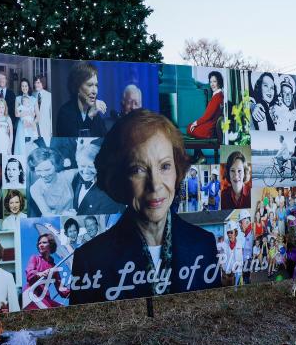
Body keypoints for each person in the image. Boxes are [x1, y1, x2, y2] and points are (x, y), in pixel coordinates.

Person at [69, 109, 219, 305]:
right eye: (138, 169)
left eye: (165, 166)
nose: (155, 185)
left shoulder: (204, 245)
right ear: (119, 179)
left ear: (177, 171)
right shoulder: (90, 261)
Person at [55, 61, 108, 137]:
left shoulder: (96, 115)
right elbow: (76, 145)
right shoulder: (65, 113)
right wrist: (89, 116)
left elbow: (105, 143)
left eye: (96, 85)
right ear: (77, 87)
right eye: (90, 85)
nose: (95, 91)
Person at [71, 138, 122, 215]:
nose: (85, 171)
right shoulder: (76, 178)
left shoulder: (109, 193)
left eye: (91, 166)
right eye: (82, 166)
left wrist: (75, 216)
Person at [23, 232, 71, 309]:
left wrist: (75, 291)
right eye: (39, 243)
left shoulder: (54, 266)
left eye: (44, 242)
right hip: (31, 294)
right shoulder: (35, 258)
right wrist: (41, 273)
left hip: (44, 297)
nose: (40, 245)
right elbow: (29, 274)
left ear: (51, 245)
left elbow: (60, 288)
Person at [27, 147, 77, 217]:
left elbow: (85, 170)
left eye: (47, 170)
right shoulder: (35, 188)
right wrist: (65, 215)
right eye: (38, 171)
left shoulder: (67, 175)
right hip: (50, 223)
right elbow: (47, 214)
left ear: (56, 166)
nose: (43, 175)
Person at [187, 70, 225, 139]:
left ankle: (198, 149)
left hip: (209, 130)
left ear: (219, 82)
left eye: (214, 81)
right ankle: (198, 150)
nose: (212, 84)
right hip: (211, 127)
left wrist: (195, 123)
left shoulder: (217, 97)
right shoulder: (220, 95)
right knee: (191, 127)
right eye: (211, 82)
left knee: (190, 128)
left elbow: (207, 116)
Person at [14, 78, 38, 156]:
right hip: (22, 125)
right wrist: (26, 113)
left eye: (26, 86)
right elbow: (16, 114)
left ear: (29, 86)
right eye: (22, 86)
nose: (24, 88)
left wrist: (33, 123)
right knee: (21, 146)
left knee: (30, 147)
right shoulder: (18, 99)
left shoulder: (34, 99)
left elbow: (38, 115)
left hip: (31, 125)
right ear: (20, 88)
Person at [219, 220, 243, 286]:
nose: (229, 234)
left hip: (235, 275)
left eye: (231, 232)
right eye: (228, 233)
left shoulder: (240, 244)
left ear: (235, 232)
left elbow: (240, 261)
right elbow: (221, 261)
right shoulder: (223, 244)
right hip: (225, 276)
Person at [34, 75, 53, 145]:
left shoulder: (49, 96)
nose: (36, 84)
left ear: (43, 83)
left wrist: (51, 130)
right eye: (35, 82)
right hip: (35, 128)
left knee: (46, 146)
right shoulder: (32, 96)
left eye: (38, 82)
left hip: (46, 127)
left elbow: (51, 114)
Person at [238, 209, 254, 283]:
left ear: (246, 221)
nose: (239, 225)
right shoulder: (247, 234)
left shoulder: (252, 233)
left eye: (240, 222)